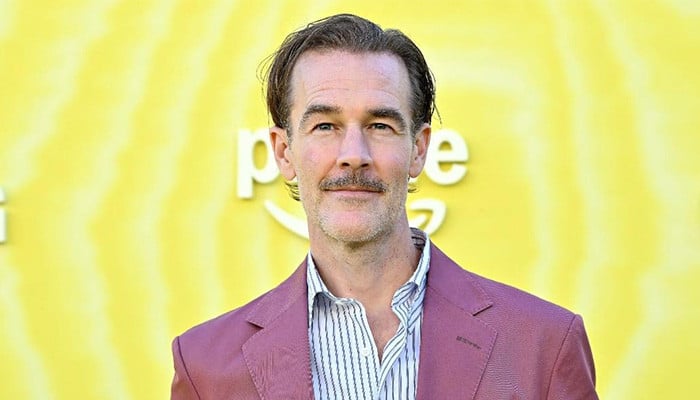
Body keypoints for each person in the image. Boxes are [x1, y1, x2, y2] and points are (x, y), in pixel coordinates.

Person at [170, 13, 598, 400]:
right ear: (284, 152)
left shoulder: (543, 346)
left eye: (380, 125)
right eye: (325, 126)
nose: (353, 154)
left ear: (418, 149)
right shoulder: (206, 367)